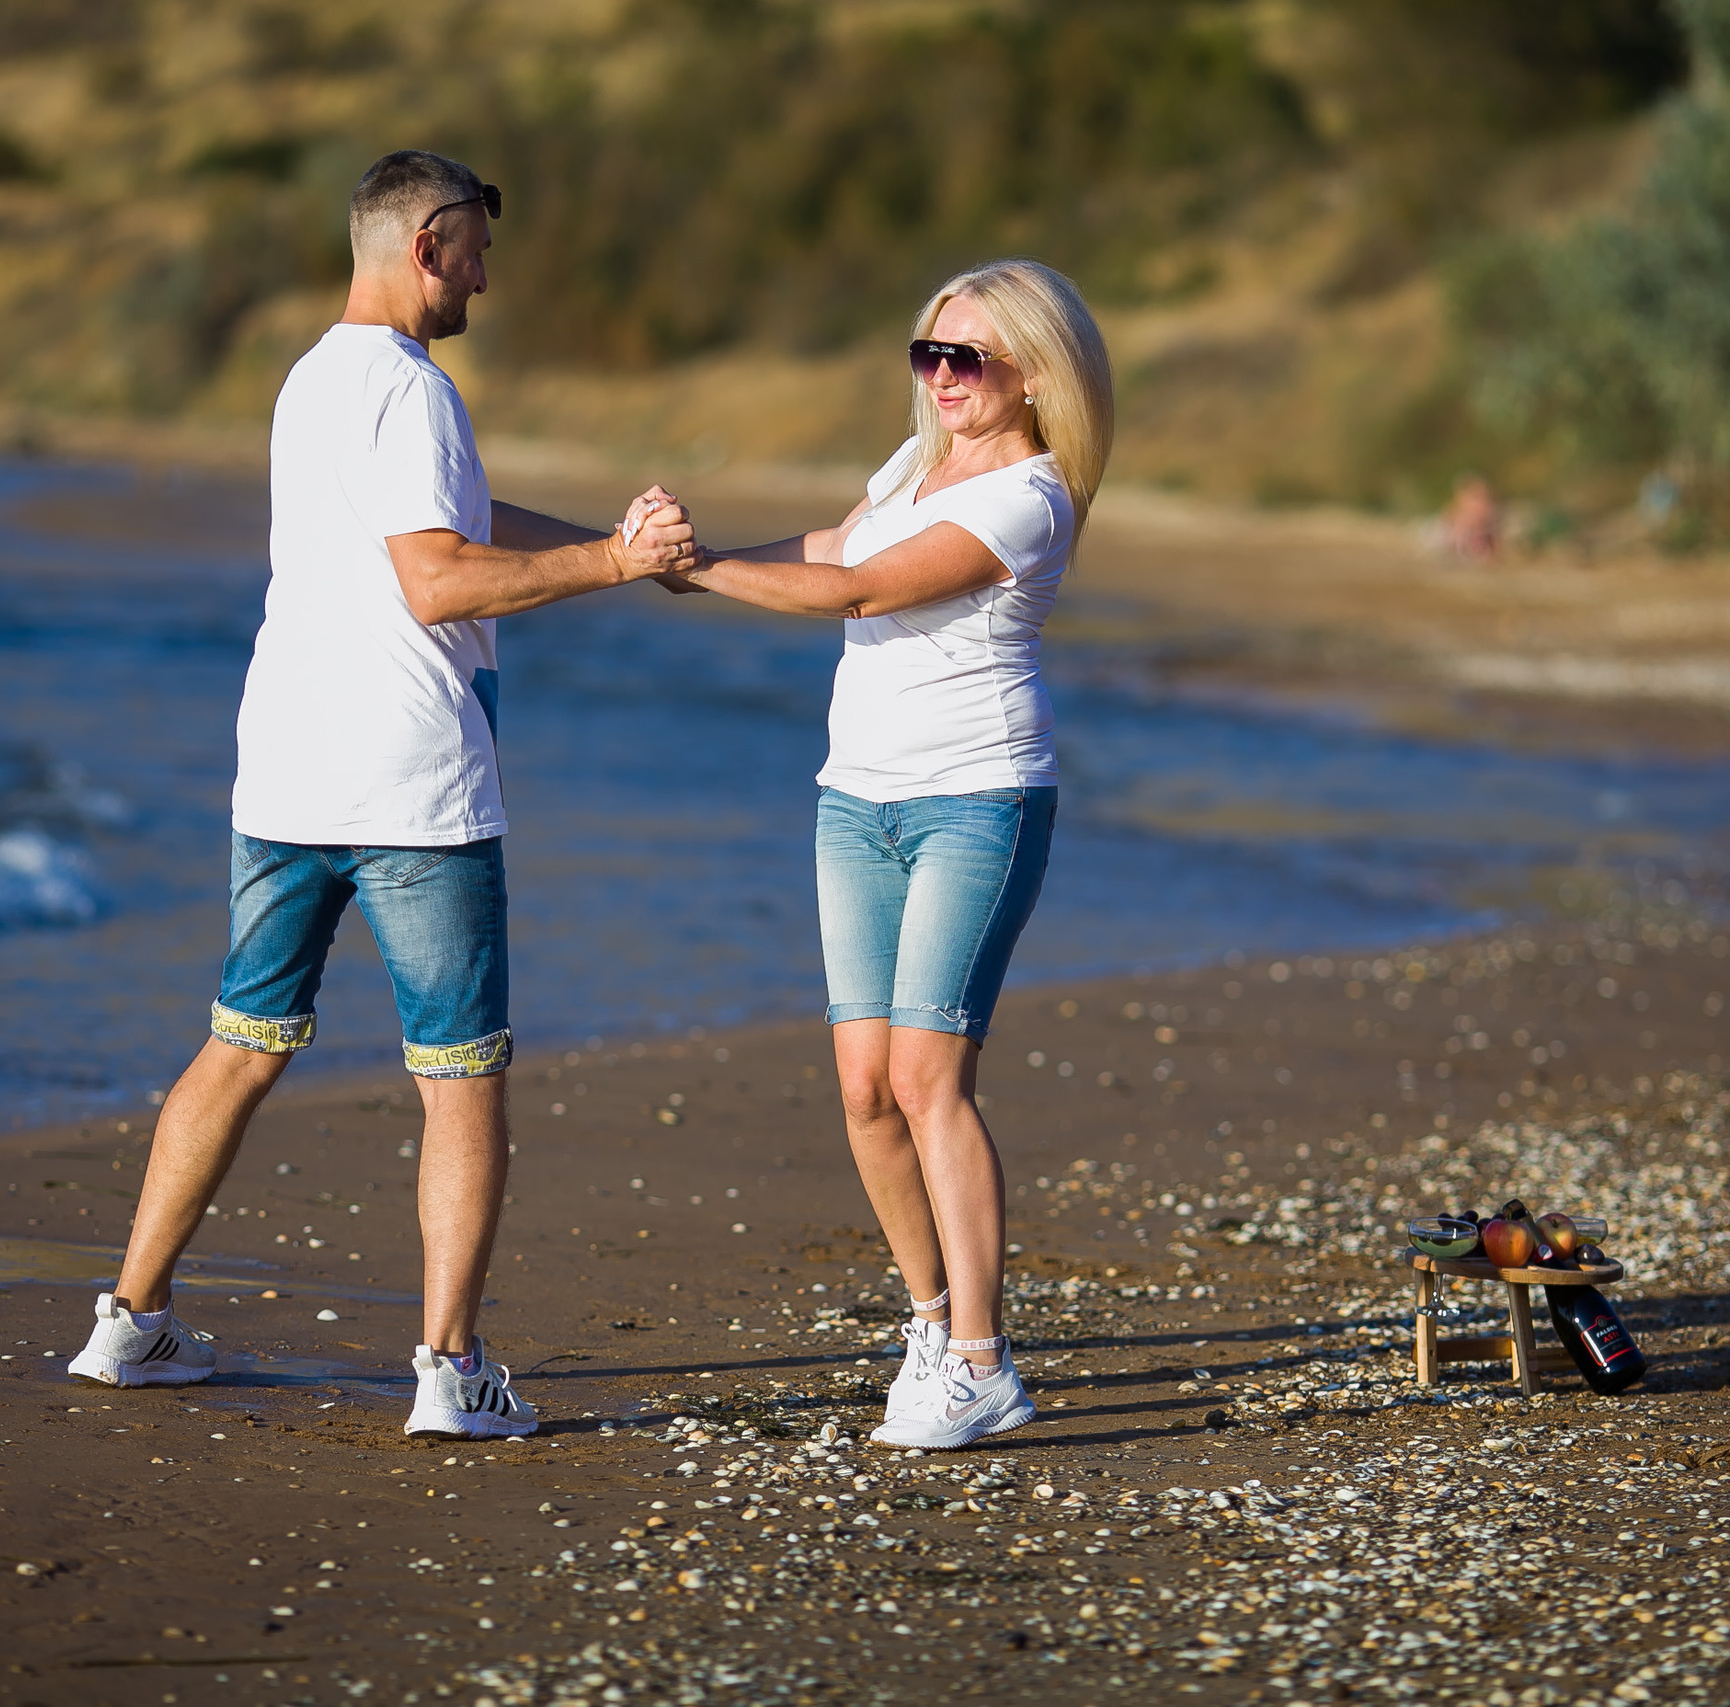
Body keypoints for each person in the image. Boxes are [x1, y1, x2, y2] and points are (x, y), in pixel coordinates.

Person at [64, 150, 696, 1439]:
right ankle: (450, 1372)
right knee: (460, 1081)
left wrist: (608, 544)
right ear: (428, 243)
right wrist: (612, 565)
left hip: (287, 773)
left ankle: (126, 1325)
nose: (483, 275)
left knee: (239, 1043)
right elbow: (439, 582)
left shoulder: (311, 378)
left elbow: (443, 521)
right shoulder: (413, 386)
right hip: (412, 786)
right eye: (472, 249)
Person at [663, 258, 1112, 1449]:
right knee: (864, 1091)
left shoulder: (1031, 495)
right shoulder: (917, 463)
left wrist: (689, 567)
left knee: (928, 1082)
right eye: (930, 353)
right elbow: (834, 541)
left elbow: (859, 590)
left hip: (978, 801)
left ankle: (983, 1360)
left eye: (968, 356)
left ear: (1034, 369)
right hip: (852, 804)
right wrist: (704, 558)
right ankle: (928, 1324)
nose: (944, 376)